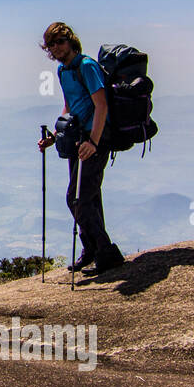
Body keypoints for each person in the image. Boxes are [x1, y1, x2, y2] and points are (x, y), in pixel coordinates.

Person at [37, 22, 125, 276]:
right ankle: (92, 252)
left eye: (59, 42)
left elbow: (102, 106)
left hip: (95, 138)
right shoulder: (63, 71)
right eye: (51, 44)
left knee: (77, 199)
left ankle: (106, 253)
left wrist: (94, 142)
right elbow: (69, 106)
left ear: (70, 41)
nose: (55, 48)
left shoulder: (86, 66)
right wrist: (56, 135)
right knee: (89, 197)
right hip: (77, 138)